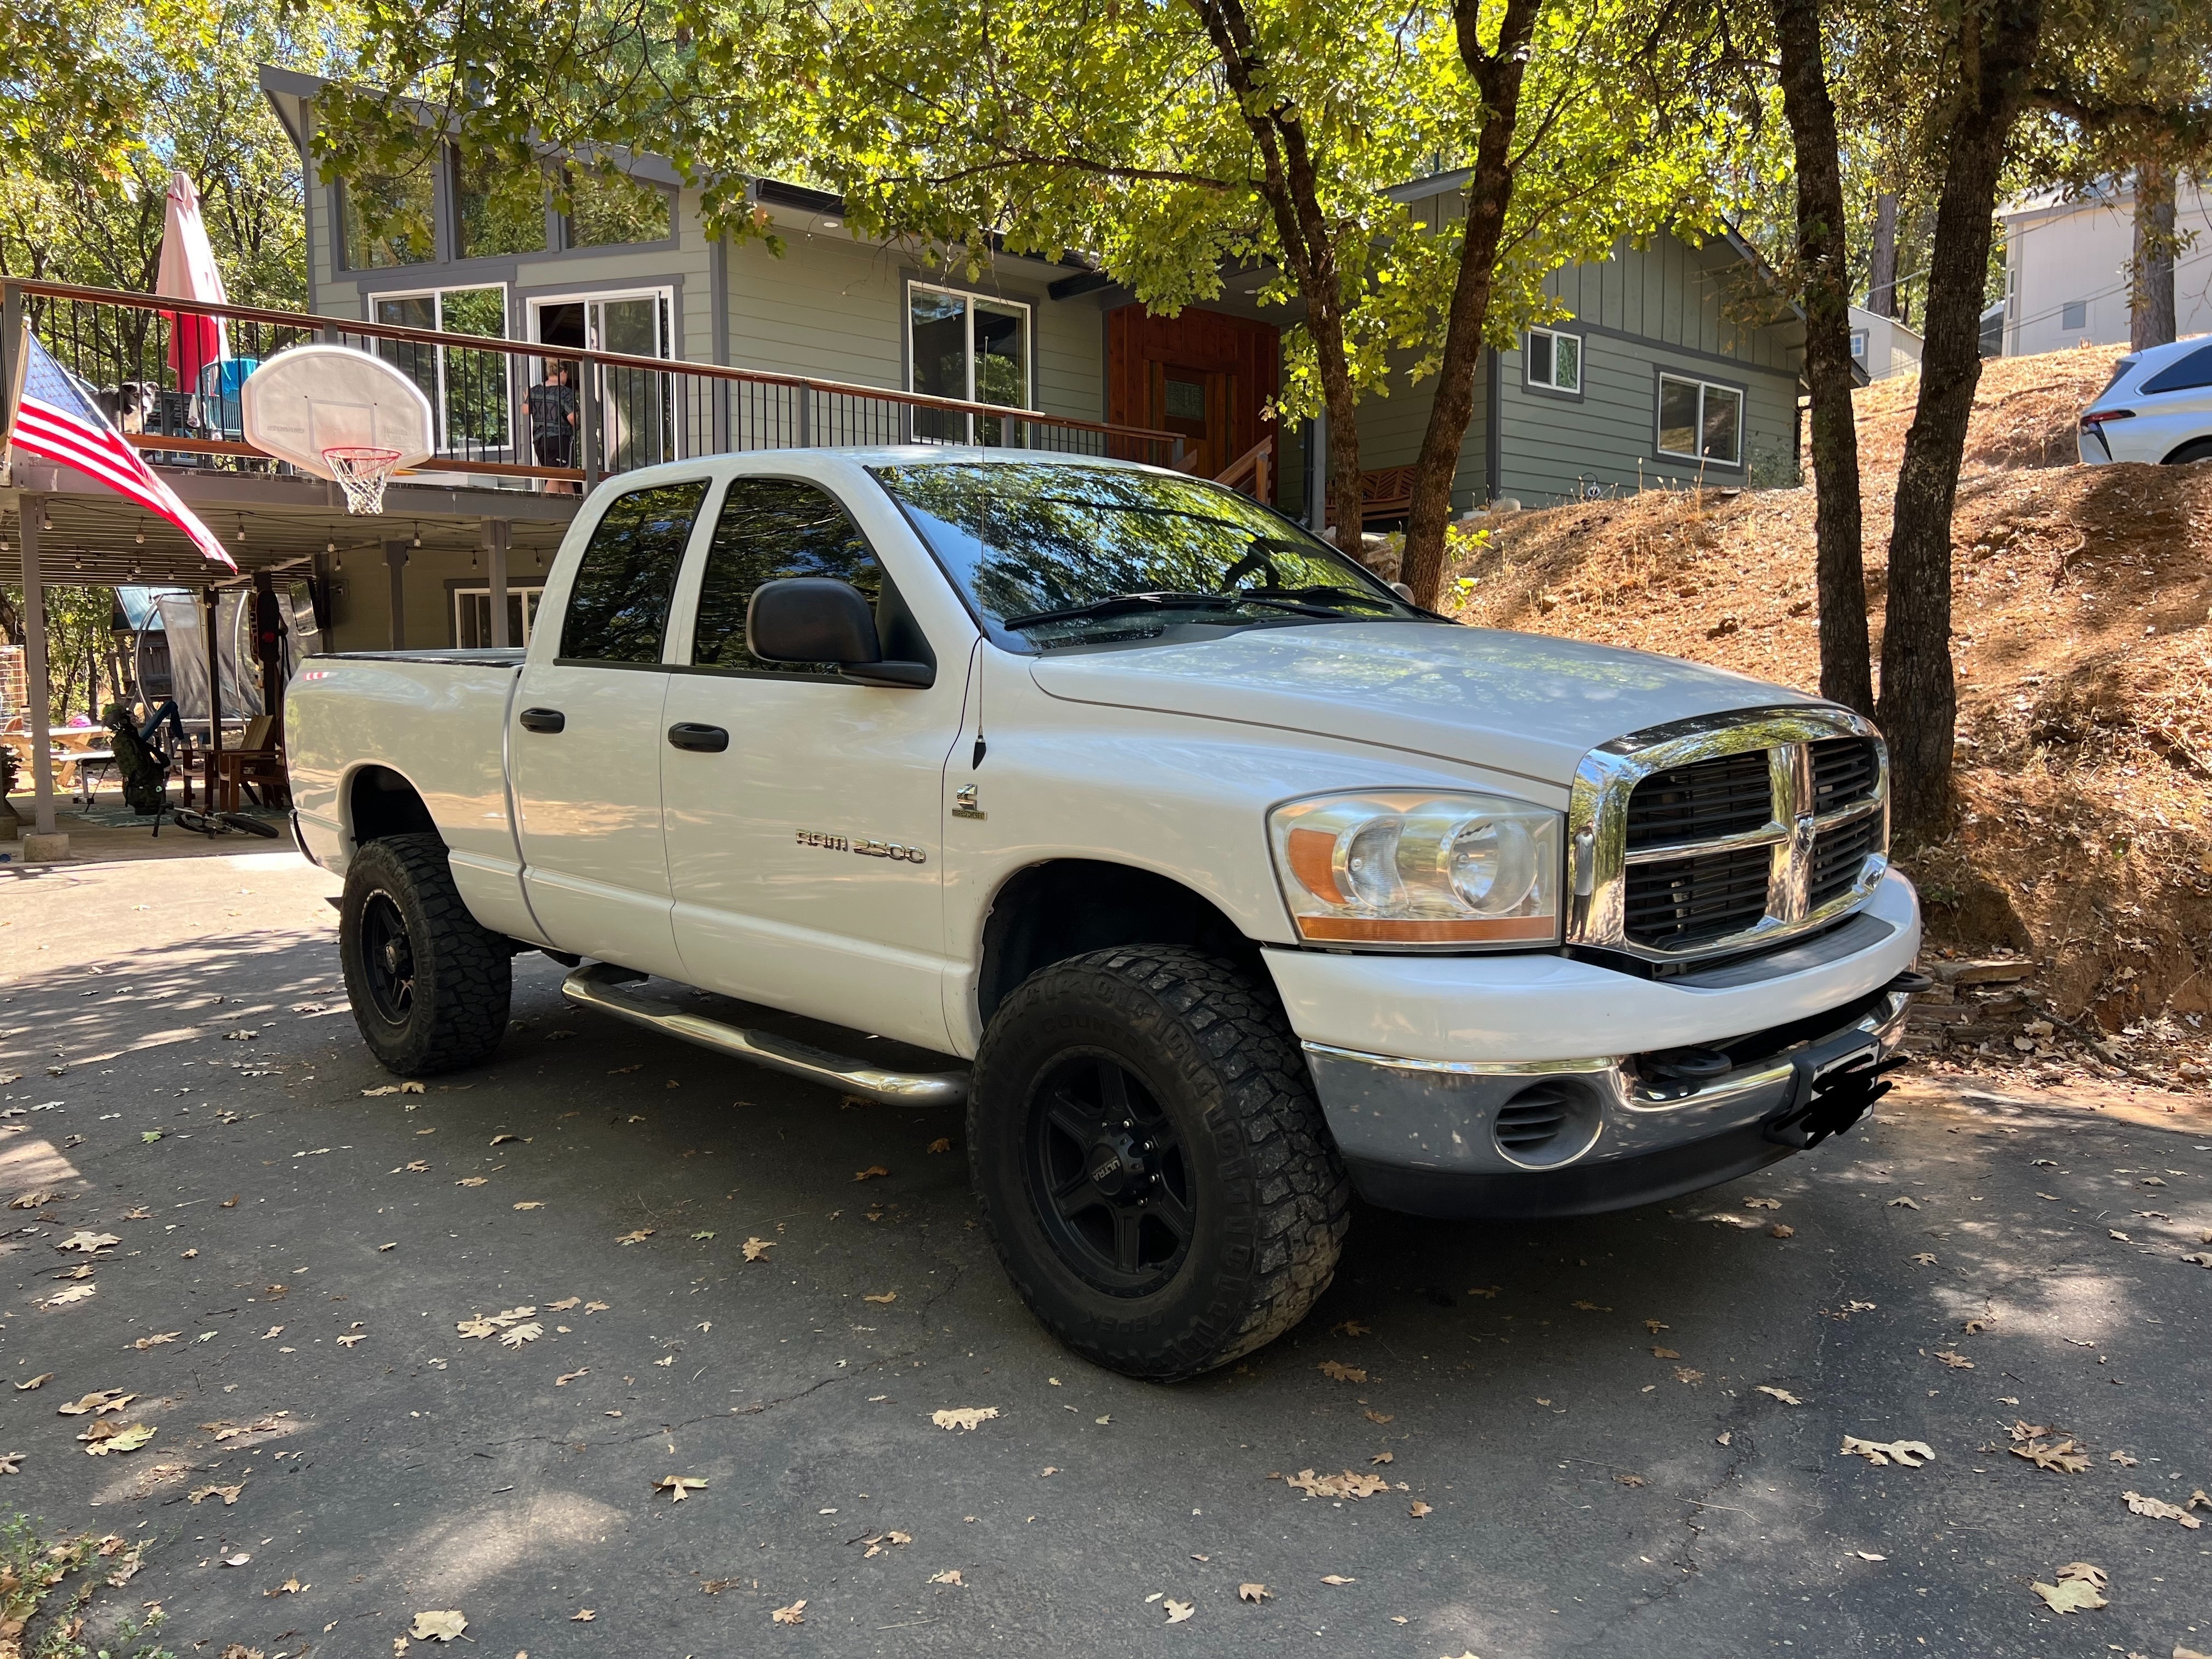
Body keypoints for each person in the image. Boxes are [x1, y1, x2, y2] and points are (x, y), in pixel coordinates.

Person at [526, 360, 580, 494]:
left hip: (539, 440)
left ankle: (572, 508)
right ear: (562, 373)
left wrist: (528, 397)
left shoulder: (535, 390)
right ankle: (547, 508)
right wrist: (580, 425)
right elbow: (572, 417)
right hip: (558, 440)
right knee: (555, 476)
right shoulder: (564, 392)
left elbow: (526, 410)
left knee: (564, 476)